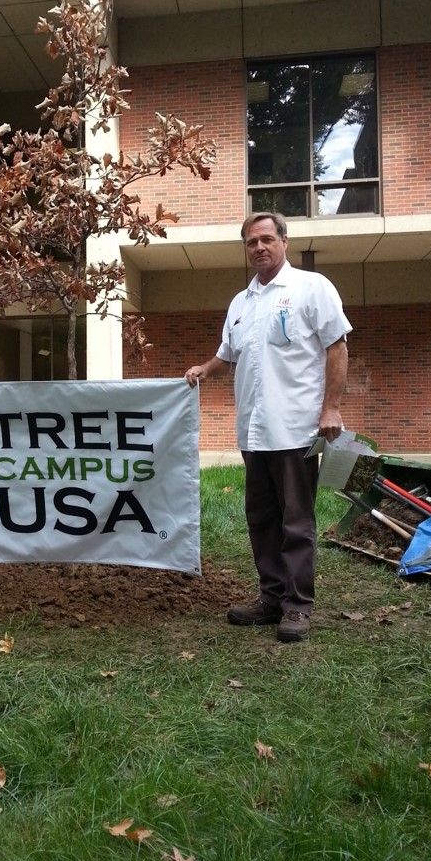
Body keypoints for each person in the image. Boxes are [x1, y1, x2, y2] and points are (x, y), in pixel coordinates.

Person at [184, 211, 351, 643]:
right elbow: (229, 355)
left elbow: (336, 346)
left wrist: (330, 408)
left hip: (295, 429)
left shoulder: (311, 289)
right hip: (253, 432)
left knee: (296, 521)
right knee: (260, 518)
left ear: (284, 241)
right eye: (250, 242)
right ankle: (271, 597)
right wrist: (205, 368)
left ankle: (297, 607)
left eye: (266, 239)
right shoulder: (241, 304)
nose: (258, 247)